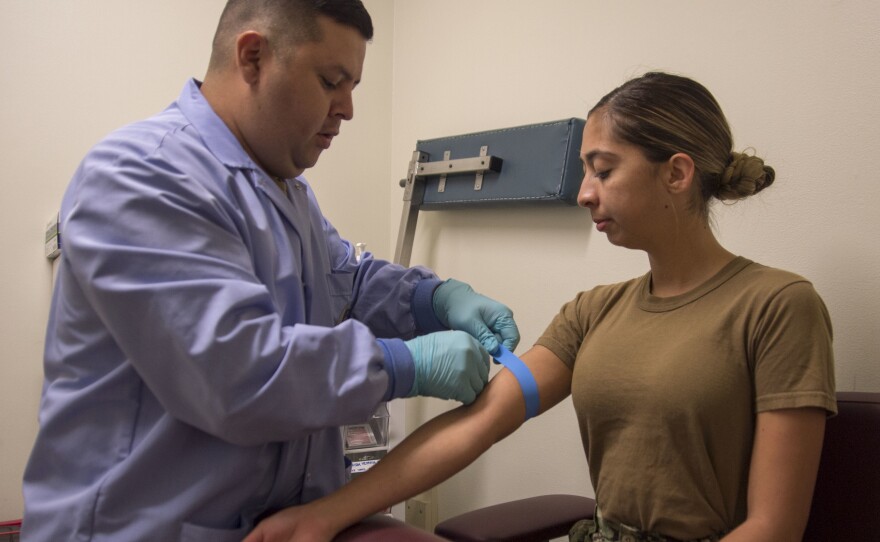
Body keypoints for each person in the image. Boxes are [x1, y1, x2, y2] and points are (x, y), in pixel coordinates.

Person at [244, 72, 836, 542]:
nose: (584, 193)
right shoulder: (594, 313)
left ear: (677, 174)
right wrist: (326, 515)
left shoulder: (777, 307)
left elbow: (774, 528)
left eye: (604, 170)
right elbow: (481, 422)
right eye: (584, 171)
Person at [20, 1, 520, 540]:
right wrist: (403, 365)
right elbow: (236, 372)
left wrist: (435, 299)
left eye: (353, 86)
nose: (348, 109)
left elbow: (348, 280)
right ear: (253, 56)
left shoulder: (285, 190)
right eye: (332, 81)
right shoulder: (141, 177)